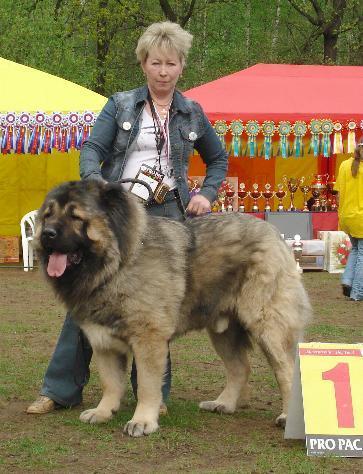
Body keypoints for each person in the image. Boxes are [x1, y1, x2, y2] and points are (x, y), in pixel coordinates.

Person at [27, 21, 228, 415]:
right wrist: (98, 189)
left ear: (182, 66)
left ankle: (153, 399)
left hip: (169, 214)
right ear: (143, 64)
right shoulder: (119, 104)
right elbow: (92, 148)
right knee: (86, 293)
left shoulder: (192, 111)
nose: (163, 71)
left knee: (155, 307)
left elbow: (217, 158)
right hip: (121, 214)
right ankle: (59, 389)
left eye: (171, 63)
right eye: (156, 63)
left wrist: (206, 193)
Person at [334, 140, 363, 301]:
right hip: (361, 218)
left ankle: (347, 281)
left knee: (356, 249)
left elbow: (337, 193)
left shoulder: (344, 165)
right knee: (362, 254)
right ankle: (358, 292)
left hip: (347, 216)